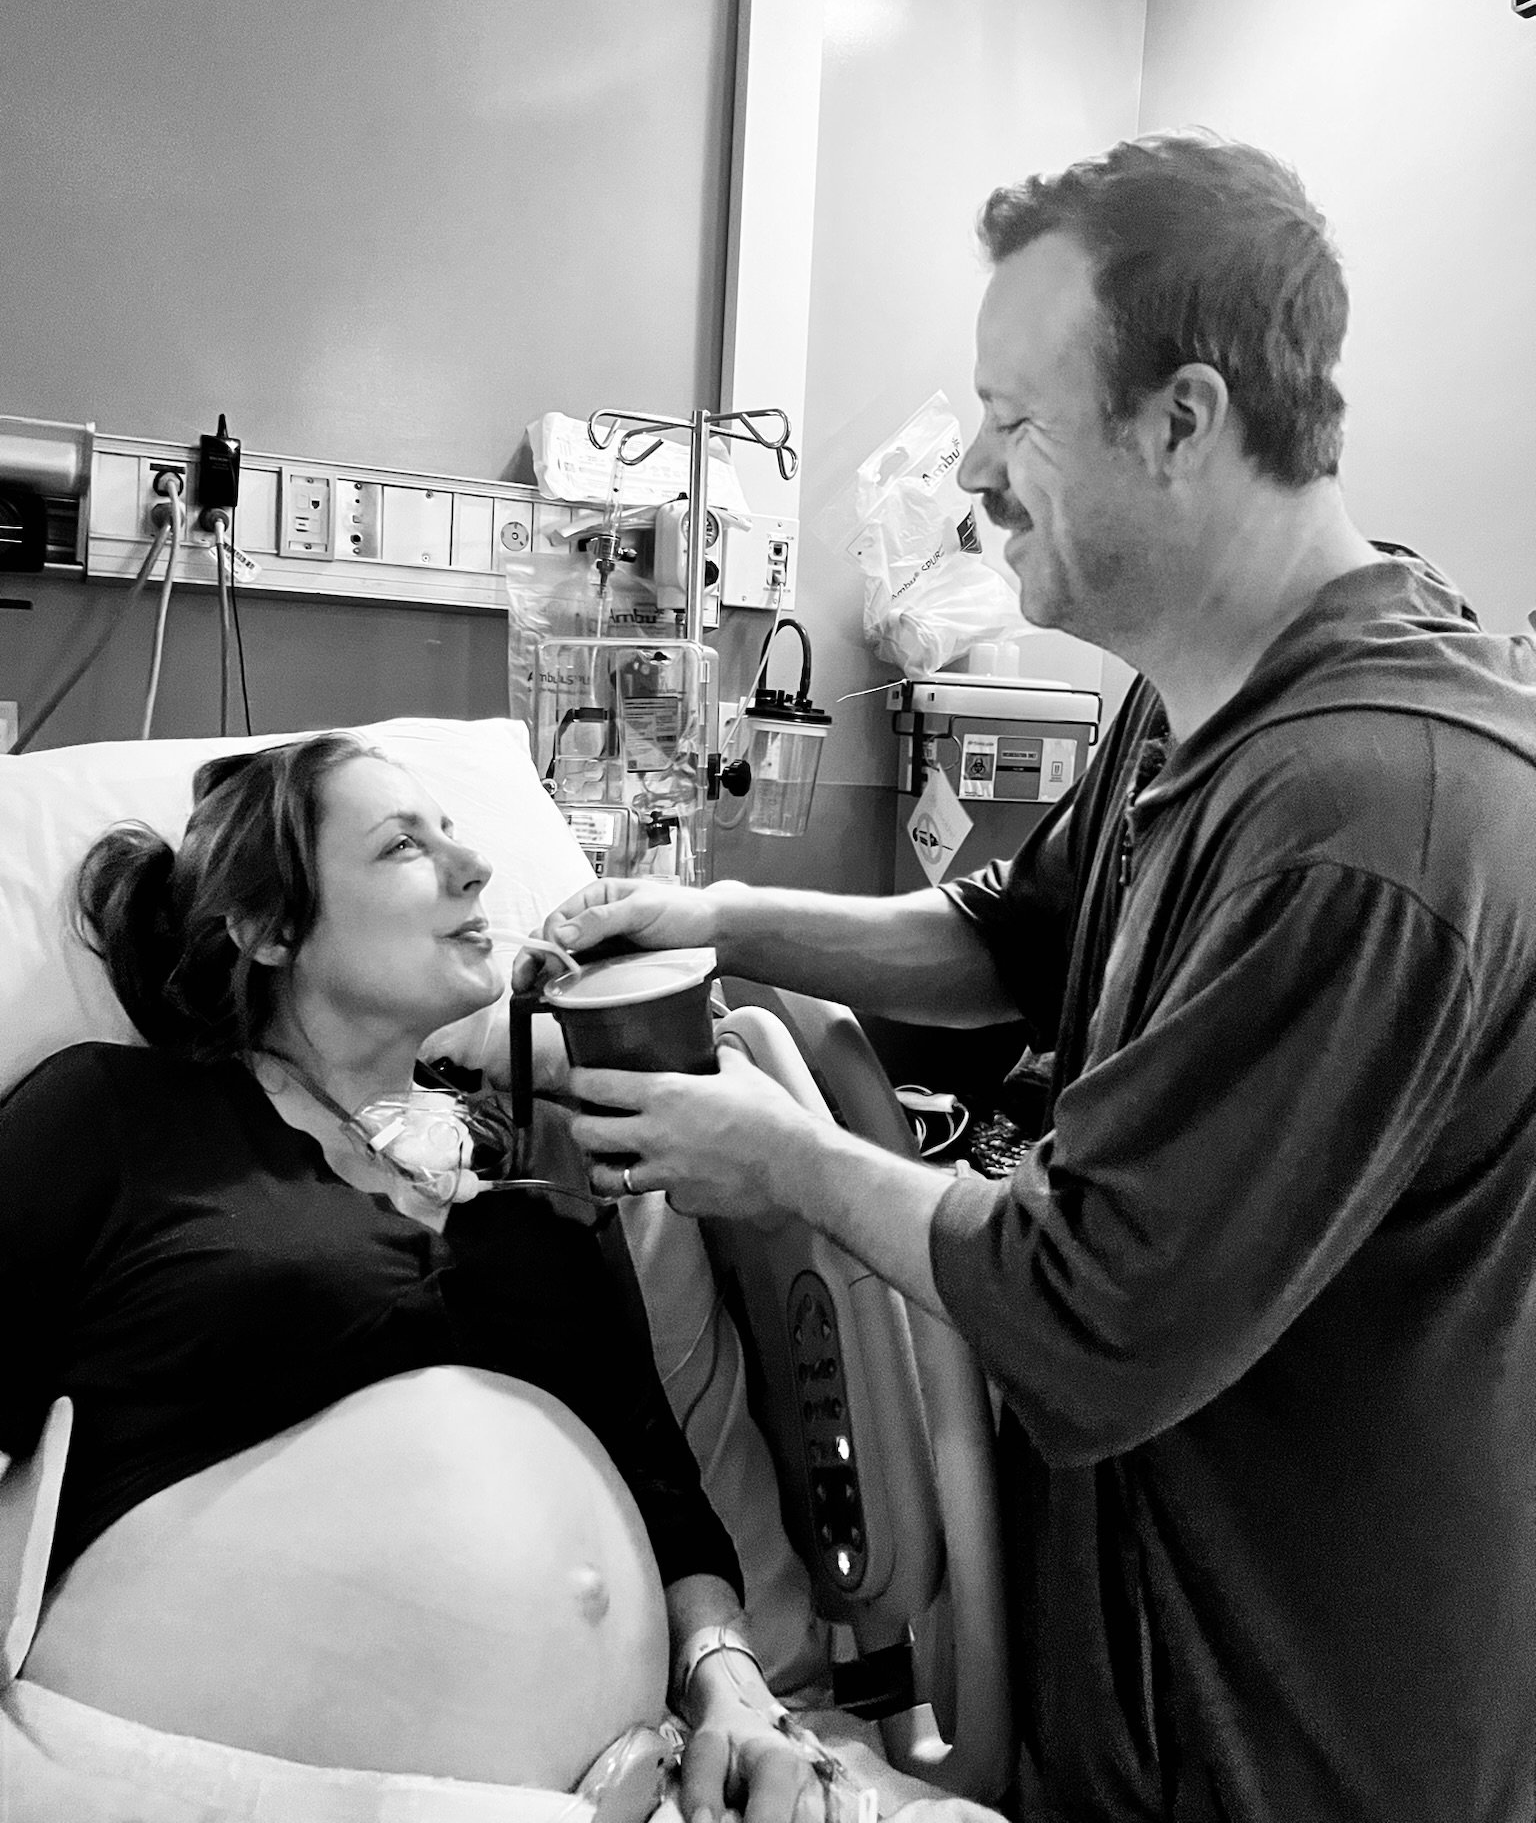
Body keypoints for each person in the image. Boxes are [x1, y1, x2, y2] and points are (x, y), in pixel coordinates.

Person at [520, 135, 1536, 1821]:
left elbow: (1085, 1307)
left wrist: (774, 1155)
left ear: (1183, 420)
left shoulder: (1367, 818)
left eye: (1014, 414)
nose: (972, 468)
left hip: (1301, 1735)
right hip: (1129, 1674)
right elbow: (1006, 939)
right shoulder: (1198, 701)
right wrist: (718, 919)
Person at [0, 732, 837, 1819]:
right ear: (266, 927)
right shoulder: (114, 1118)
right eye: (403, 845)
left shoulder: (532, 1176)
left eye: (456, 833)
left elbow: (666, 1497)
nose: (475, 867)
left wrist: (731, 1685)